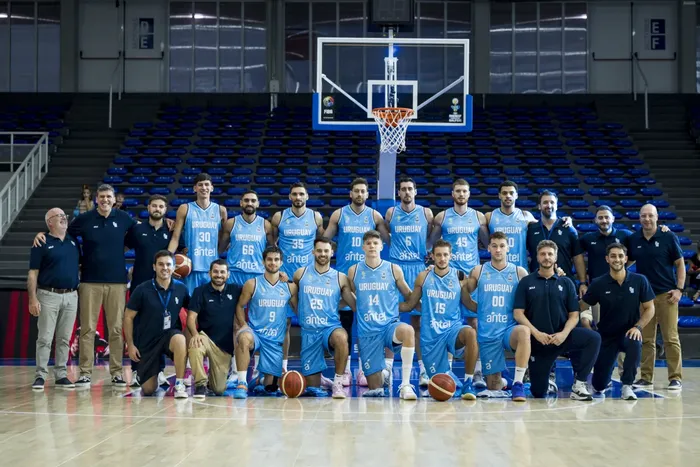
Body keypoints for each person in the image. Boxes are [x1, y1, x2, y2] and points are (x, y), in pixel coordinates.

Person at [34, 183, 137, 388]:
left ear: (114, 199)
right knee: (88, 329)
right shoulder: (85, 219)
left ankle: (116, 372)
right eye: (102, 197)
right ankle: (85, 373)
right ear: (96, 199)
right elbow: (61, 232)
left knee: (116, 329)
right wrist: (41, 233)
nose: (105, 200)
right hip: (89, 282)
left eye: (109, 197)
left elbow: (138, 235)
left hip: (117, 282)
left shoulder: (124, 219)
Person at [513, 240, 601, 400]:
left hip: (561, 339)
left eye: (550, 254)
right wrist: (537, 333)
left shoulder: (566, 282)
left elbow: (574, 315)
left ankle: (579, 384)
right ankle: (541, 378)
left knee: (593, 338)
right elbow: (518, 313)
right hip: (538, 342)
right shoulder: (526, 282)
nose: (546, 257)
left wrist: (564, 334)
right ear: (537, 257)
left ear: (555, 257)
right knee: (538, 392)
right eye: (543, 254)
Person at [323, 178, 390, 387]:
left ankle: (364, 367)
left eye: (363, 191)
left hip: (368, 274)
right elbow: (325, 240)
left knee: (366, 322)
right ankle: (344, 371)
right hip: (344, 274)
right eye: (356, 191)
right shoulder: (339, 214)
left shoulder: (374, 215)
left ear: (367, 194)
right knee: (345, 322)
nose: (360, 194)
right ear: (350, 194)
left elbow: (387, 239)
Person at [429, 178, 489, 388]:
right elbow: (431, 244)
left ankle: (478, 370)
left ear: (469, 194)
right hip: (449, 276)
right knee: (447, 321)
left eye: (464, 191)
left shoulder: (478, 217)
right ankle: (448, 372)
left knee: (474, 323)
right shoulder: (442, 217)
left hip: (471, 275)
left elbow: (489, 244)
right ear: (452, 194)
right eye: (458, 191)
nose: (461, 194)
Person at [400, 239, 479, 400]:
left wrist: (492, 308)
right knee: (441, 385)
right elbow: (410, 305)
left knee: (471, 333)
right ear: (432, 256)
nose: (442, 258)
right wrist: (383, 306)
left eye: (445, 255)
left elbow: (468, 303)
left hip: (452, 329)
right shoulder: (423, 277)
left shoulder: (459, 276)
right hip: (431, 336)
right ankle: (454, 382)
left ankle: (468, 382)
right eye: (438, 255)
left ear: (451, 256)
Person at [347, 230, 417, 400]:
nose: (372, 246)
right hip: (367, 332)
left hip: (389, 326)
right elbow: (353, 299)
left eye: (375, 243)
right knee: (375, 388)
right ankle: (383, 374)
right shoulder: (353, 271)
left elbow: (409, 296)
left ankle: (406, 384)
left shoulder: (393, 269)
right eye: (368, 243)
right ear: (363, 246)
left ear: (381, 246)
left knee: (407, 330)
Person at [581, 244, 656, 400]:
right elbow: (582, 306)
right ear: (607, 259)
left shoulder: (639, 280)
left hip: (629, 332)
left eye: (620, 256)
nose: (617, 259)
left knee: (635, 341)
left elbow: (650, 308)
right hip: (606, 336)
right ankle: (604, 379)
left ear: (626, 259)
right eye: (613, 256)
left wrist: (638, 327)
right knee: (598, 385)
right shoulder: (598, 283)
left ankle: (627, 386)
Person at [463, 232, 530, 401]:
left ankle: (517, 384)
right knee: (493, 387)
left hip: (509, 329)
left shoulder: (519, 272)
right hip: (488, 333)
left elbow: (534, 296)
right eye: (494, 246)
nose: (498, 249)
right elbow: (464, 292)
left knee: (523, 332)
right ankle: (504, 380)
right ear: (488, 248)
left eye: (502, 246)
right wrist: (477, 309)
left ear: (508, 248)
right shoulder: (479, 271)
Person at [626, 204, 685, 390]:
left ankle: (675, 378)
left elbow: (680, 264)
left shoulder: (668, 236)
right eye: (643, 216)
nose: (647, 219)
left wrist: (679, 289)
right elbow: (625, 263)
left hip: (667, 295)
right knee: (646, 340)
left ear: (657, 217)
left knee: (670, 338)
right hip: (645, 298)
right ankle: (645, 378)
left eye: (650, 215)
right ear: (639, 218)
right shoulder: (634, 239)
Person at [270, 182, 324, 375]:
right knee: (283, 324)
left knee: (311, 324)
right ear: (290, 197)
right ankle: (283, 367)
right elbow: (272, 245)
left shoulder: (316, 217)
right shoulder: (280, 217)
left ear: (307, 196)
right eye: (294, 194)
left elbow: (320, 245)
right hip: (284, 278)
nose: (298, 197)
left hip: (307, 279)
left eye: (301, 194)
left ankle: (312, 369)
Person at [293, 238, 356, 399]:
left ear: (332, 253)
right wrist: (300, 313)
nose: (322, 254)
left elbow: (354, 304)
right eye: (319, 250)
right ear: (313, 251)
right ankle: (320, 379)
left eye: (326, 251)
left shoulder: (340, 277)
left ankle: (338, 382)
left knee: (341, 337)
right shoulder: (300, 274)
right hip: (309, 332)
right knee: (312, 388)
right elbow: (292, 296)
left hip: (330, 328)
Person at [386, 177, 433, 387]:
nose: (406, 192)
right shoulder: (390, 213)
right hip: (396, 268)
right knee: (389, 318)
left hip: (417, 268)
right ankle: (387, 367)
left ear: (416, 191)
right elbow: (387, 237)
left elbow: (430, 237)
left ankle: (423, 369)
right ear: (399, 193)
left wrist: (427, 252)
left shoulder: (426, 213)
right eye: (403, 189)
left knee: (418, 323)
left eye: (410, 189)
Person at [233, 246, 297, 399]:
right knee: (244, 338)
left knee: (271, 388)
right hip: (256, 334)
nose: (272, 263)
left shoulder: (289, 287)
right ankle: (242, 382)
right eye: (269, 259)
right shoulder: (252, 284)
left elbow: (298, 309)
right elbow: (240, 306)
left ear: (281, 262)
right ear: (263, 262)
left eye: (276, 260)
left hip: (274, 341)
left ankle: (260, 379)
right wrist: (243, 325)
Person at [123, 250, 189, 398]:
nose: (164, 268)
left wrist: (194, 335)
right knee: (148, 390)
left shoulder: (181, 289)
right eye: (160, 264)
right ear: (154, 267)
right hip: (148, 341)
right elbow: (128, 317)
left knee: (180, 339)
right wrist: (131, 345)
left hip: (169, 336)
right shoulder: (142, 289)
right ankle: (156, 371)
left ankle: (179, 384)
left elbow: (192, 313)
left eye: (168, 264)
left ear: (173, 268)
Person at [28, 208, 80, 390]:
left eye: (64, 216)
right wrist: (32, 299)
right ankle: (40, 375)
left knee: (65, 338)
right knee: (45, 338)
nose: (64, 218)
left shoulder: (73, 242)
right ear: (49, 222)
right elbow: (33, 273)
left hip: (72, 295)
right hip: (48, 295)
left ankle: (61, 375)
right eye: (59, 216)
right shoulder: (41, 242)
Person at [187, 260, 241, 399]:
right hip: (206, 338)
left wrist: (282, 278)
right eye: (215, 271)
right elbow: (191, 318)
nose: (219, 275)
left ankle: (212, 383)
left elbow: (255, 289)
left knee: (219, 389)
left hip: (224, 346)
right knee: (195, 346)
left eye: (222, 272)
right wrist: (195, 334)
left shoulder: (235, 290)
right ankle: (200, 384)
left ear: (228, 274)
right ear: (210, 273)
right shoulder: (200, 291)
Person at [167, 173, 228, 294]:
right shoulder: (185, 208)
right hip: (191, 267)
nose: (204, 188)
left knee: (210, 308)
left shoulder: (221, 210)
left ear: (212, 188)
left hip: (212, 269)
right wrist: (169, 260)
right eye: (200, 185)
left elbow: (224, 239)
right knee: (191, 307)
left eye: (207, 185)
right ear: (195, 188)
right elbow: (175, 238)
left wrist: (217, 252)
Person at [578, 205, 633, 328]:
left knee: (621, 324)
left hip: (620, 288)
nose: (604, 220)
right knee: (599, 325)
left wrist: (622, 266)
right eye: (600, 218)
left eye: (607, 217)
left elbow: (642, 243)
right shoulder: (588, 238)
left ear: (613, 218)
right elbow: (575, 255)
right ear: (595, 220)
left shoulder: (625, 235)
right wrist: (582, 282)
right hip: (597, 288)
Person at [526, 191, 586, 290]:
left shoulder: (568, 228)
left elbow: (577, 257)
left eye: (552, 202)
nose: (549, 205)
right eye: (545, 202)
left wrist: (583, 283)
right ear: (539, 206)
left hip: (564, 282)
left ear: (557, 206)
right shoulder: (531, 229)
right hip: (537, 283)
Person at [220, 190, 275, 287]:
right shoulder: (231, 223)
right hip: (234, 273)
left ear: (257, 204)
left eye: (253, 201)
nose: (249, 203)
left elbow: (272, 250)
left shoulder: (265, 225)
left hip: (257, 273)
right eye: (246, 200)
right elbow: (220, 249)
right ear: (241, 203)